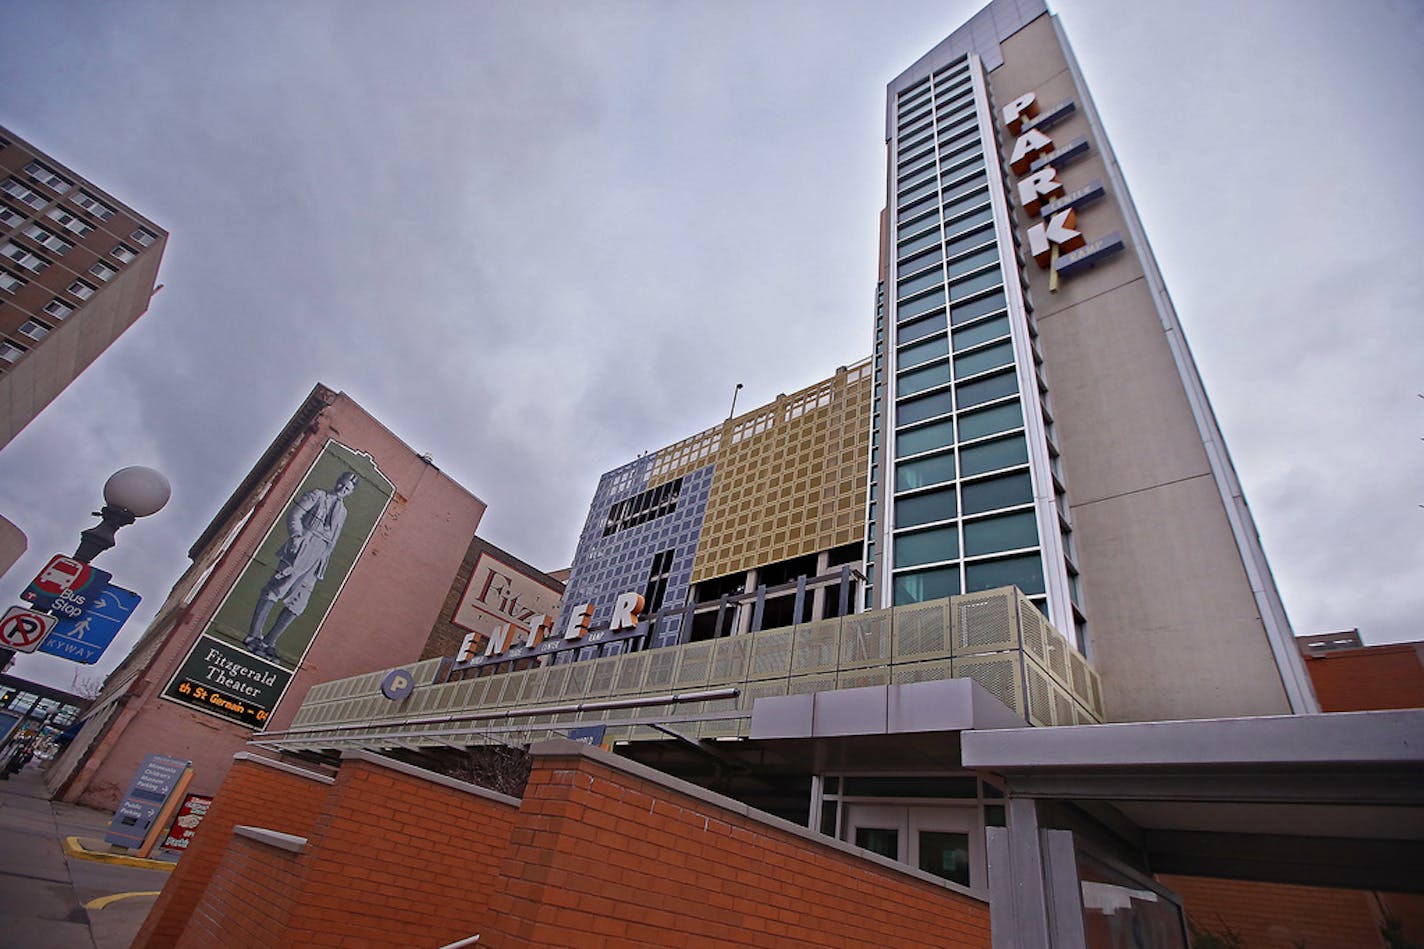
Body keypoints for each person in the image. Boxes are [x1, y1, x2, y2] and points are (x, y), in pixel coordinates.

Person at [245, 471, 358, 661]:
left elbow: (334, 538)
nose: (342, 489)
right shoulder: (317, 495)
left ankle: (269, 642)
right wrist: (297, 537)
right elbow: (295, 514)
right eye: (341, 484)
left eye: (347, 488)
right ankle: (254, 635)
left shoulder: (343, 512)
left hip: (320, 554)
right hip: (304, 543)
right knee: (277, 588)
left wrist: (323, 561)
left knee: (300, 601)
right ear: (337, 481)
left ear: (350, 492)